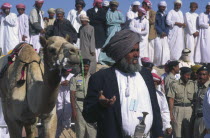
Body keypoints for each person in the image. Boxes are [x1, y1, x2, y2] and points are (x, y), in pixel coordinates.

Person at [83, 29, 163, 138]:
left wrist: (159, 134)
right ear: (121, 53)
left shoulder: (146, 75)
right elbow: (88, 115)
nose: (136, 54)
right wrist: (101, 106)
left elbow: (155, 107)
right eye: (132, 51)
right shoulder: (101, 78)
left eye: (137, 50)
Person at [70, 59, 97, 138]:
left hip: (90, 105)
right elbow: (72, 95)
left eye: (87, 66)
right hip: (79, 105)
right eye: (83, 66)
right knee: (80, 129)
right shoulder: (74, 78)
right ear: (80, 66)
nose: (85, 68)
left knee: (92, 129)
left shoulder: (93, 77)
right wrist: (74, 110)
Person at [168, 67, 196, 138]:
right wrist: (170, 113)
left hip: (189, 109)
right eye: (186, 75)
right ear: (181, 74)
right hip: (177, 109)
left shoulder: (193, 84)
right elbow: (171, 99)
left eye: (189, 75)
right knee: (177, 133)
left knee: (188, 133)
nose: (188, 77)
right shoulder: (174, 84)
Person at [99, 0, 125, 65]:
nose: (114, 7)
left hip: (118, 30)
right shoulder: (108, 13)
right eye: (112, 6)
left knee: (117, 44)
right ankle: (104, 59)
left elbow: (123, 21)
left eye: (115, 6)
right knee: (109, 43)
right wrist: (117, 21)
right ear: (110, 6)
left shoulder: (119, 13)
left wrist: (114, 21)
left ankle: (115, 59)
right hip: (110, 30)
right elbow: (108, 22)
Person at [56, 68, 74, 137]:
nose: (67, 73)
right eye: (65, 71)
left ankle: (67, 126)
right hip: (59, 96)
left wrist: (69, 83)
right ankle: (58, 128)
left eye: (68, 71)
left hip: (68, 96)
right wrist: (60, 83)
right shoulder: (59, 76)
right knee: (59, 111)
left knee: (68, 111)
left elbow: (75, 83)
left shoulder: (72, 76)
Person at [194, 66, 210, 138]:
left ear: (208, 76)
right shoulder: (199, 87)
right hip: (197, 118)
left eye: (204, 74)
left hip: (205, 120)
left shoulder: (208, 88)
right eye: (200, 74)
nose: (201, 76)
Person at [154, 1, 170, 67]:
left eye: (164, 7)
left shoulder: (166, 15)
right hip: (158, 35)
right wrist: (161, 32)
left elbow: (167, 25)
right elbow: (155, 25)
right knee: (159, 49)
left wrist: (165, 32)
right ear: (159, 7)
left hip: (164, 35)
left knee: (165, 50)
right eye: (161, 7)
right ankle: (157, 64)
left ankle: (164, 63)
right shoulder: (156, 14)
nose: (162, 8)